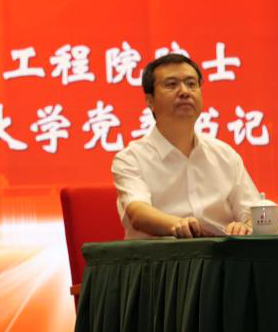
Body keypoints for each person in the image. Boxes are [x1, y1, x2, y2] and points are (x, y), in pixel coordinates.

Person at [112, 53, 261, 238]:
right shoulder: (130, 158)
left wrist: (245, 226)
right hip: (161, 255)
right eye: (171, 84)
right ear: (150, 100)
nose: (184, 92)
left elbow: (256, 213)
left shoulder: (225, 155)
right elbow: (138, 213)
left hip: (223, 255)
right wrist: (179, 224)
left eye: (191, 84)